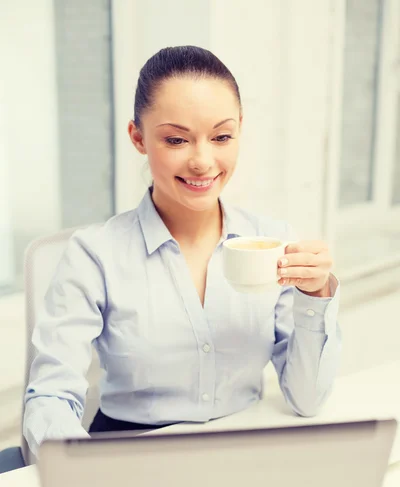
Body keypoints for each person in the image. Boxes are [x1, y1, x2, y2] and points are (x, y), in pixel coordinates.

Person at [23, 45, 341, 459]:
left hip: (241, 453)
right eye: (176, 139)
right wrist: (83, 478)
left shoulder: (273, 241)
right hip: (129, 460)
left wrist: (315, 297)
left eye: (222, 136)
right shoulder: (94, 254)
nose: (203, 161)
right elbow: (50, 395)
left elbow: (307, 400)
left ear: (240, 130)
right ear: (138, 137)